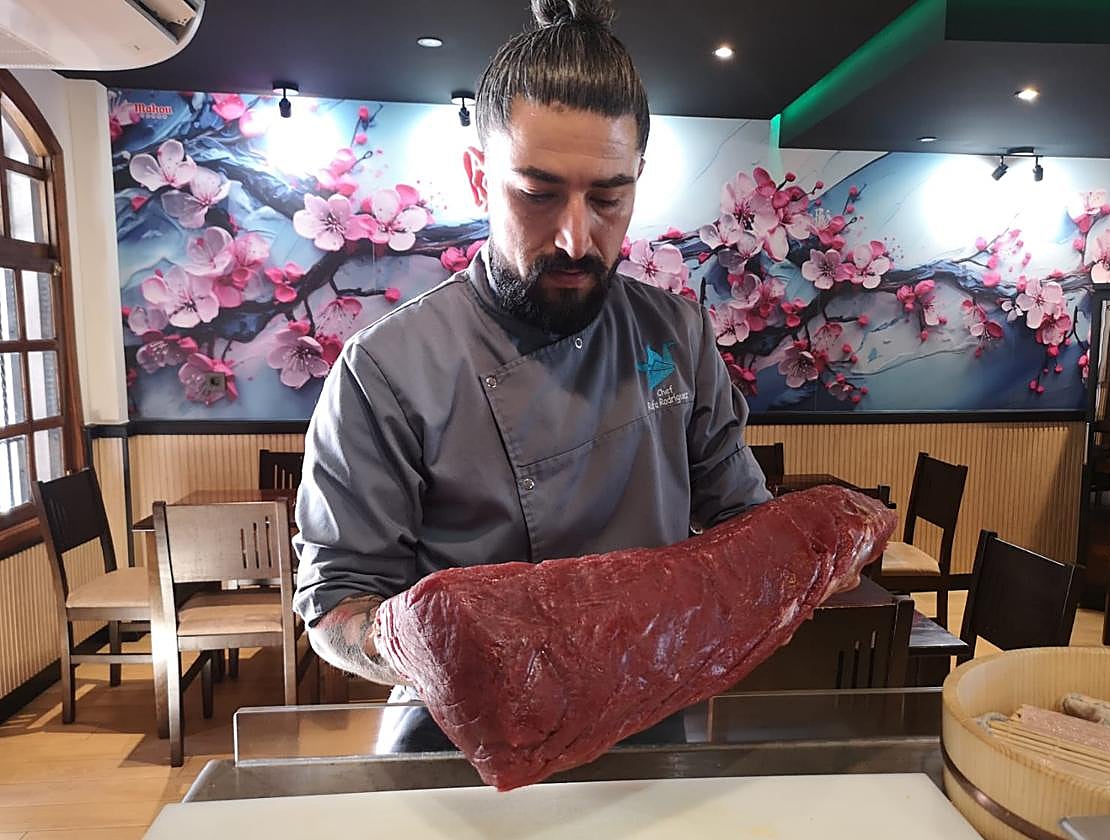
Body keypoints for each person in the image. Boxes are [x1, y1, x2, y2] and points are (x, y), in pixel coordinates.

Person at [292, 0, 771, 749]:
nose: (577, 237)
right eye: (538, 194)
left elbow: (743, 520)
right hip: (457, 742)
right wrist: (424, 645)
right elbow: (337, 603)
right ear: (478, 174)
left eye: (608, 197)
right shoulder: (385, 369)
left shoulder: (677, 335)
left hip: (645, 727)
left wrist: (803, 553)